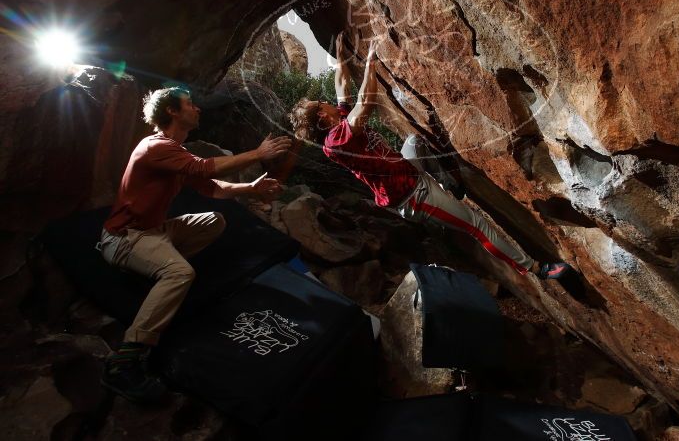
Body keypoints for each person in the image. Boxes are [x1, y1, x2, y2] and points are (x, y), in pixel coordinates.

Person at [289, 33, 571, 280]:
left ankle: (450, 184)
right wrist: (371, 63)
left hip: (410, 171)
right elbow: (364, 104)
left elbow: (341, 86)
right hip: (413, 196)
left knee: (414, 141)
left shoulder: (336, 123)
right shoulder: (335, 141)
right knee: (477, 225)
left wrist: (340, 57)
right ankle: (535, 269)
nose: (328, 103)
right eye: (321, 105)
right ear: (323, 118)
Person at [99, 86, 291, 403]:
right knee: (180, 274)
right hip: (124, 238)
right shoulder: (154, 146)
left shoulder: (177, 152)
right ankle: (123, 362)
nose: (197, 109)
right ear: (172, 110)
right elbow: (203, 168)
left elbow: (213, 187)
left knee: (213, 220)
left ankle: (154, 270)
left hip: (154, 231)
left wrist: (252, 187)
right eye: (190, 104)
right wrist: (257, 154)